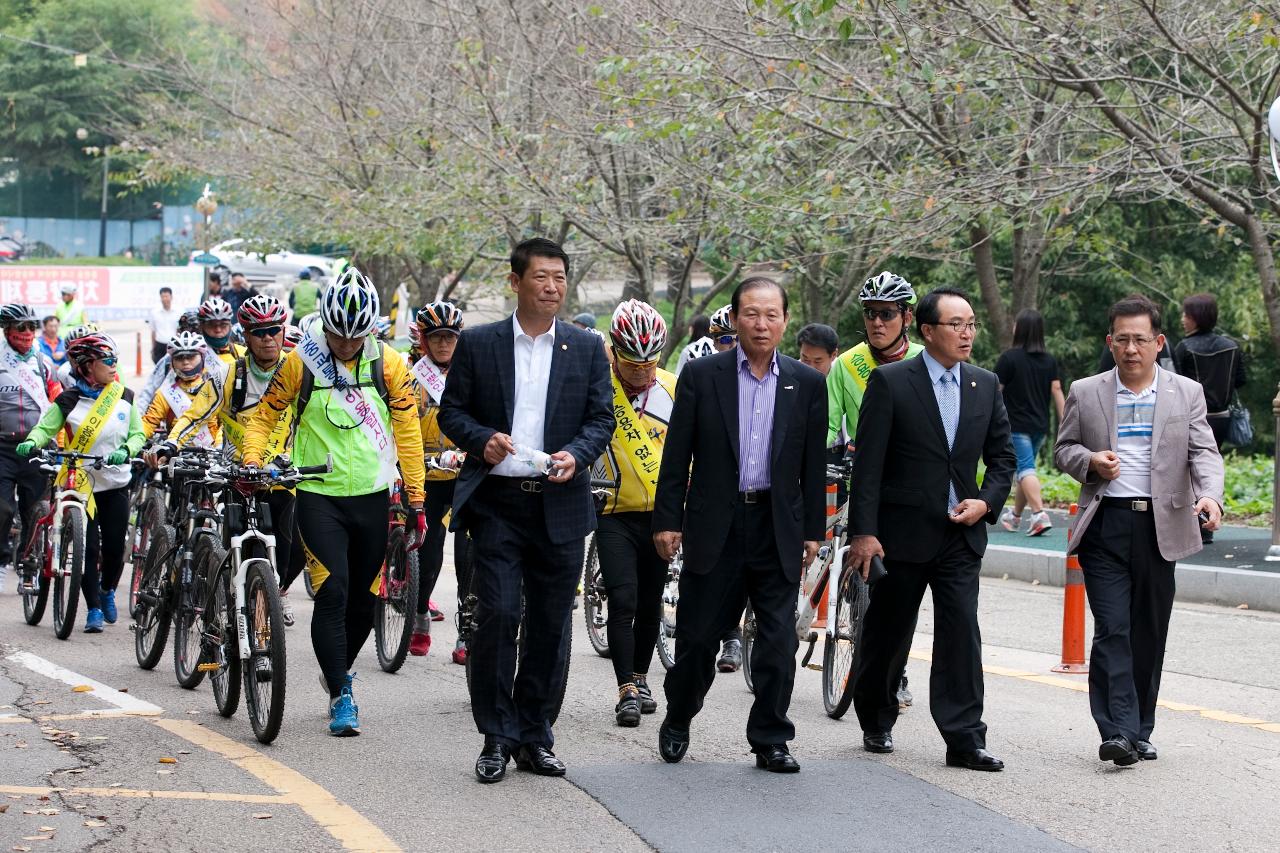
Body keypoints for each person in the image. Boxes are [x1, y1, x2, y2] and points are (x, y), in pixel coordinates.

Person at [438, 237, 613, 783]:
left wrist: (577, 456)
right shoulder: (480, 343)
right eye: (541, 276)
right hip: (498, 505)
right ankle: (496, 734)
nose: (552, 286)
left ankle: (535, 734)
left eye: (560, 277)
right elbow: (452, 412)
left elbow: (600, 420)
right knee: (498, 616)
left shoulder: (585, 347)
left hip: (559, 502)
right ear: (516, 282)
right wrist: (482, 439)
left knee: (549, 624)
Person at [652, 276, 826, 773]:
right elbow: (677, 454)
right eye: (751, 313)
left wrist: (812, 529)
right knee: (698, 640)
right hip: (715, 526)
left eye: (772, 314)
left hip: (776, 526)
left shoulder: (807, 383)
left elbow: (812, 466)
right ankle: (680, 714)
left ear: (785, 321)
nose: (762, 323)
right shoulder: (703, 376)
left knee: (778, 640)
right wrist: (668, 519)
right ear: (734, 317)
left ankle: (770, 737)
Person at [241, 268, 426, 737]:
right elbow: (264, 418)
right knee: (334, 590)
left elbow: (407, 432)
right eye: (336, 337)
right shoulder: (302, 363)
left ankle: (337, 667)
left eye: (355, 338)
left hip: (371, 495)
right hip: (317, 494)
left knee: (365, 601)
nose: (344, 346)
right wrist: (252, 459)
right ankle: (343, 692)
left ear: (369, 331)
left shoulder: (389, 365)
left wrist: (417, 498)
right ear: (323, 326)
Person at [847, 287, 1015, 772]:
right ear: (927, 330)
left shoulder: (985, 385)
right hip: (900, 534)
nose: (966, 334)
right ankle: (875, 717)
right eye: (955, 325)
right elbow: (870, 466)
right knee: (889, 631)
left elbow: (1003, 459)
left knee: (961, 632)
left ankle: (965, 738)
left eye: (970, 324)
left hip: (959, 535)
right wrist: (864, 532)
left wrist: (985, 501)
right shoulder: (892, 382)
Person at [1054, 294, 1224, 766]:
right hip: (1105, 524)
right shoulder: (1086, 391)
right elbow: (1063, 449)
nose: (1132, 349)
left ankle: (1140, 728)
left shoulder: (1185, 392)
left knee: (1149, 631)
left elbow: (1204, 453)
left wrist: (1209, 496)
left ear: (1158, 342)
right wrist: (1089, 461)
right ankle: (1117, 732)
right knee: (1113, 628)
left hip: (1161, 526)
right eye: (1123, 339)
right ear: (1110, 342)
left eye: (1141, 340)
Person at [154, 295, 303, 624]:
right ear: (246, 336)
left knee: (294, 550)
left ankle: (271, 597)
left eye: (273, 330)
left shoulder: (298, 370)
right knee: (236, 546)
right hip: (238, 475)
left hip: (282, 476)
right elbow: (194, 414)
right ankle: (219, 608)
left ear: (282, 332)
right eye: (259, 331)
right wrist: (171, 443)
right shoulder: (227, 375)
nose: (267, 338)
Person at [826, 271, 923, 708]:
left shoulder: (927, 358)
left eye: (886, 314)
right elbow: (828, 425)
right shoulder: (846, 365)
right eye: (869, 315)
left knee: (900, 594)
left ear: (907, 316)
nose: (876, 323)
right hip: (857, 481)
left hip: (908, 490)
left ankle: (894, 671)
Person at [17, 333, 144, 632]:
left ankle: (107, 590)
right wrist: (31, 441)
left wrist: (127, 450)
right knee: (89, 548)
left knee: (115, 549)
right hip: (82, 484)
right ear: (87, 366)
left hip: (114, 483)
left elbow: (138, 434)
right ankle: (94, 609)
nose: (115, 366)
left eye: (115, 360)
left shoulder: (124, 396)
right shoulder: (68, 400)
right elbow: (45, 427)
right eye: (108, 361)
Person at [594, 300, 677, 727]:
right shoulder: (598, 387)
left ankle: (641, 678)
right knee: (623, 598)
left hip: (659, 518)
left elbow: (687, 454)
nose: (642, 373)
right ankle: (625, 687)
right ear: (614, 352)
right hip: (612, 513)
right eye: (631, 364)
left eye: (650, 363)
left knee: (649, 604)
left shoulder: (672, 388)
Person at [407, 300, 472, 660]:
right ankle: (419, 617)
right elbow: (400, 424)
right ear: (424, 341)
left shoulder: (471, 373)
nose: (444, 344)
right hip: (427, 474)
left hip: (465, 476)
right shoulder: (410, 376)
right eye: (436, 338)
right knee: (428, 556)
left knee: (468, 556)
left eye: (450, 337)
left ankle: (466, 630)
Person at [0, 304, 61, 594]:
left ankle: (27, 567)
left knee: (32, 513)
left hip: (36, 447)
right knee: (2, 508)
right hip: (3, 447)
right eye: (20, 327)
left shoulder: (42, 362)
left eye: (31, 327)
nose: (27, 333)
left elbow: (59, 402)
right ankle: (1, 562)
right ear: (7, 330)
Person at [995, 309, 1066, 537]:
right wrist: (1066, 421)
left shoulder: (1009, 358)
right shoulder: (1049, 360)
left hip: (1016, 425)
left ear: (1021, 329)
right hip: (1040, 427)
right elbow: (1057, 390)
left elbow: (995, 391)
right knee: (1026, 470)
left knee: (1025, 469)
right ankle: (1015, 517)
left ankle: (1039, 514)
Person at [1174, 292, 1246, 454]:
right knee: (1212, 464)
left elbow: (1173, 383)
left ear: (1197, 317)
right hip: (1222, 420)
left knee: (1191, 468)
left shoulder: (1185, 347)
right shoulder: (1231, 346)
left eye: (1186, 316)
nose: (1182, 320)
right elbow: (1240, 380)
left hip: (1194, 420)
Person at [139, 331, 223, 447]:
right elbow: (148, 423)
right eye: (179, 358)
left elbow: (226, 422)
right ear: (172, 362)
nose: (185, 362)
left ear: (203, 358)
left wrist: (219, 444)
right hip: (174, 454)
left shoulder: (216, 388)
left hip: (212, 454)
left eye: (191, 356)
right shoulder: (164, 394)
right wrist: (133, 444)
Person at [149, 286, 181, 365]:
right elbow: (153, 331)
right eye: (162, 297)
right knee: (159, 369)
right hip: (159, 345)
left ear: (171, 297)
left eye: (166, 296)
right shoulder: (154, 313)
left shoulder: (179, 312)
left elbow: (179, 330)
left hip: (173, 345)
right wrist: (153, 347)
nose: (165, 299)